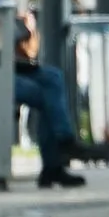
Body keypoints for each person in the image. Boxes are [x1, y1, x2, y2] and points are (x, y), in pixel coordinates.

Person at [15, 11, 84, 189]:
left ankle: (57, 155)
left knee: (53, 77)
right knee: (45, 95)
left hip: (14, 67)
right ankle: (60, 151)